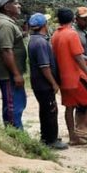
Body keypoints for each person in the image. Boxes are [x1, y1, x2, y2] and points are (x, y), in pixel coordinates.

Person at [52, 8, 87, 145]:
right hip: (75, 76)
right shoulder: (72, 34)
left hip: (62, 77)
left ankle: (73, 137)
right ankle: (82, 126)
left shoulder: (55, 35)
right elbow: (78, 57)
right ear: (74, 19)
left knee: (70, 107)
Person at [27, 13, 65, 149]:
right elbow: (44, 66)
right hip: (44, 84)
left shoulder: (34, 39)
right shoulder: (41, 42)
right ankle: (51, 140)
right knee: (50, 110)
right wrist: (54, 83)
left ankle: (46, 137)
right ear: (44, 25)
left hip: (38, 83)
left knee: (45, 110)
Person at [0, 0, 27, 129]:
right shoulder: (5, 25)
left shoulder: (7, 22)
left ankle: (15, 132)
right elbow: (6, 51)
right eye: (15, 3)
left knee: (16, 103)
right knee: (13, 106)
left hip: (9, 72)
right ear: (6, 7)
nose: (19, 5)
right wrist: (16, 74)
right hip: (8, 73)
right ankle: (15, 135)